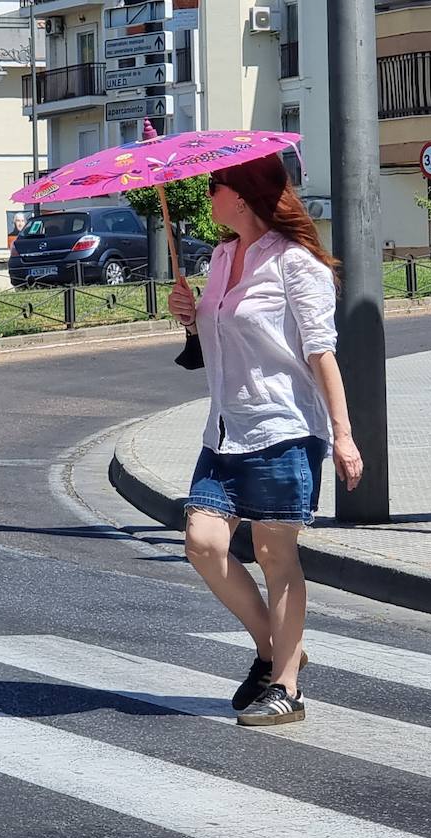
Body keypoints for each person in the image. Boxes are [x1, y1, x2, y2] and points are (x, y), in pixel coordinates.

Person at [167, 156, 363, 727]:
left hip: (283, 430)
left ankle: (286, 689)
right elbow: (217, 342)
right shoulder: (222, 257)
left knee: (278, 556)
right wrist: (188, 316)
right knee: (203, 543)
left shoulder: (297, 265)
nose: (208, 197)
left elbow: (320, 353)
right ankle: (277, 648)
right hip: (224, 431)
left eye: (215, 187)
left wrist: (344, 436)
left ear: (243, 196)